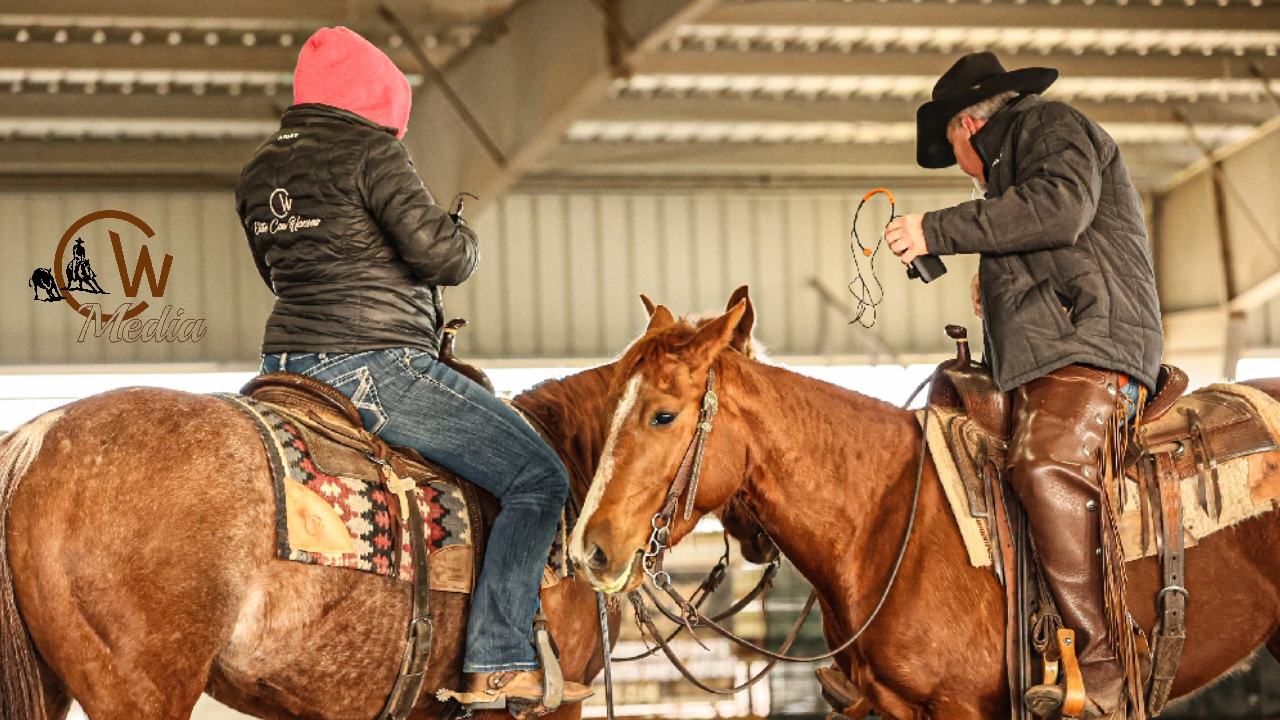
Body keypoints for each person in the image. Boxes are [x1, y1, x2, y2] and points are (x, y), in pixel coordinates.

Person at [235, 26, 591, 710]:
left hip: (284, 363)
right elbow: (441, 258)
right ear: (378, 97)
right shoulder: (372, 152)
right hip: (372, 365)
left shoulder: (258, 171)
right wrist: (464, 235)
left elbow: (277, 273)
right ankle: (498, 659)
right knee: (538, 478)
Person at [885, 52, 1163, 719]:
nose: (963, 168)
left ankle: (1103, 669)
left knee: (1044, 467)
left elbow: (1060, 210)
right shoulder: (1021, 161)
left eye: (955, 151)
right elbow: (1053, 233)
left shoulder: (1049, 124)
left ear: (965, 126)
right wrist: (1002, 286)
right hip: (1057, 348)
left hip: (1093, 346)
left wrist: (933, 229)